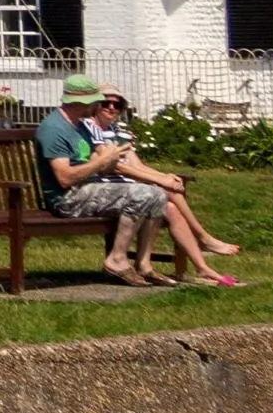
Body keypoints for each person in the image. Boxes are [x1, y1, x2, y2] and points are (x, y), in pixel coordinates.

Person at [35, 78, 234, 286]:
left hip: (90, 188)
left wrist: (109, 158)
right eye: (95, 101)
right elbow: (65, 178)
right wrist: (101, 161)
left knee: (156, 195)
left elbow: (106, 158)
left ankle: (143, 264)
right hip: (68, 198)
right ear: (79, 102)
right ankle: (117, 259)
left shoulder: (79, 127)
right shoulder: (54, 129)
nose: (97, 106)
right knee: (142, 195)